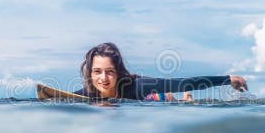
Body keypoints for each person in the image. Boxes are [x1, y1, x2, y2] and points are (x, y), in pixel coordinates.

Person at [73, 42, 248, 100]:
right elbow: (56, 96)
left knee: (168, 97)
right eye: (97, 71)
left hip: (153, 102)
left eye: (110, 71)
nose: (103, 78)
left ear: (118, 72)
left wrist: (227, 79)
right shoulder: (86, 95)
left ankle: (185, 100)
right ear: (90, 73)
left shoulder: (137, 86)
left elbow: (183, 83)